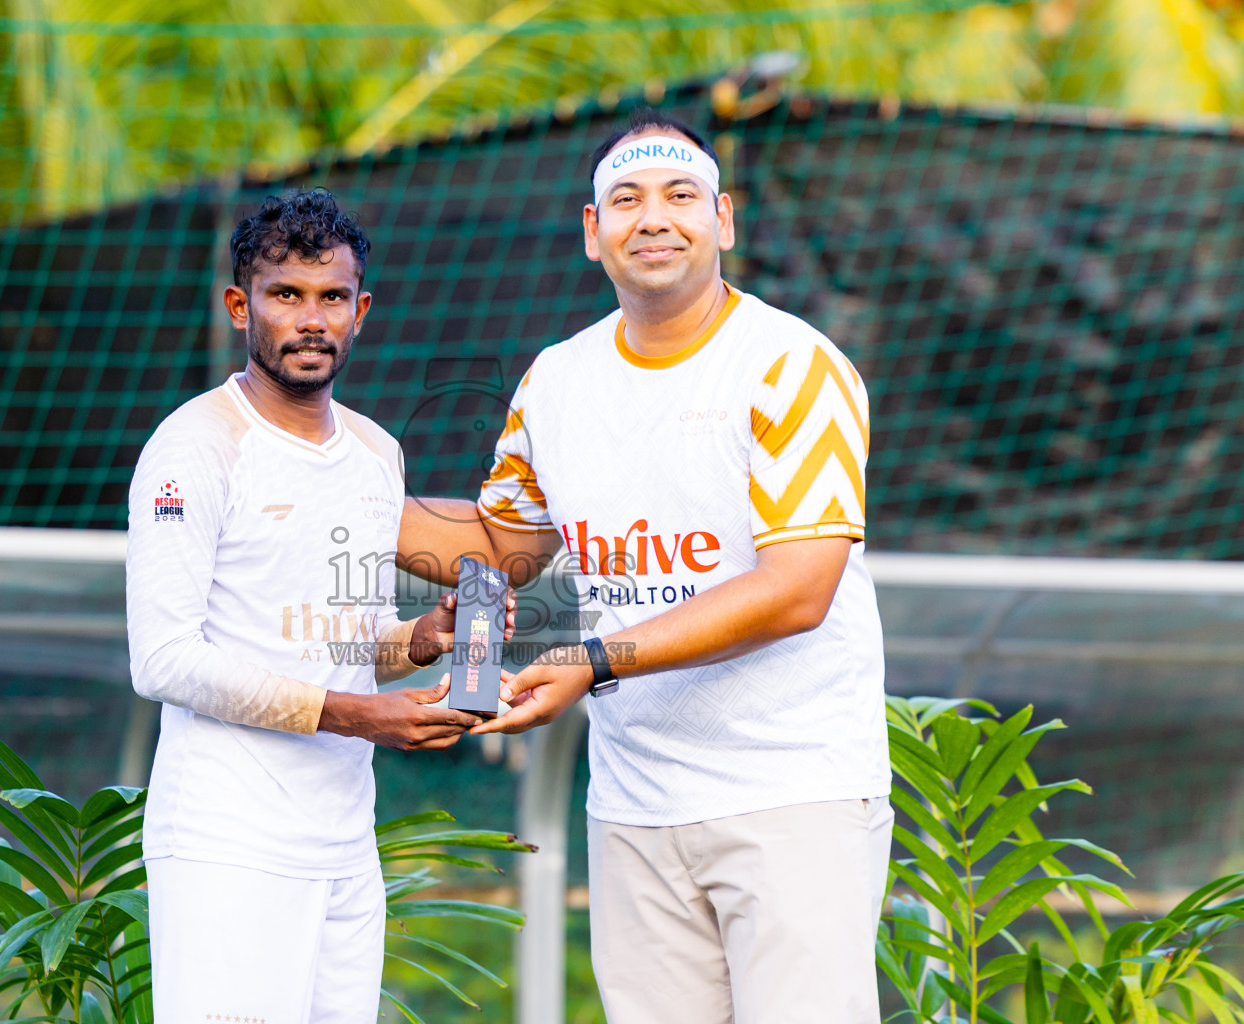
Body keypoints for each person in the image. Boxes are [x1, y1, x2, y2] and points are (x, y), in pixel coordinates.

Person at [398, 109, 894, 1022]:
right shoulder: (556, 380)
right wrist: (333, 490)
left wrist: (594, 661)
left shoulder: (793, 366)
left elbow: (798, 590)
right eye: (626, 199)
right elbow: (505, 548)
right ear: (594, 232)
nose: (654, 218)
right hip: (634, 805)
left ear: (724, 220)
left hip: (794, 794)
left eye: (681, 196)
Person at [126, 189, 488, 1024]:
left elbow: (352, 642)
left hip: (345, 844)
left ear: (361, 311)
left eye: (331, 297)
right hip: (227, 841)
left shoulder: (376, 451)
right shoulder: (193, 445)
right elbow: (164, 660)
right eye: (286, 294)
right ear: (239, 306)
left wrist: (424, 639)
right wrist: (355, 716)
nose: (311, 319)